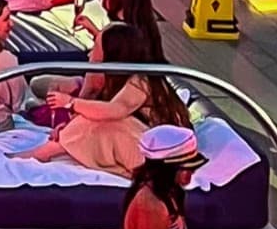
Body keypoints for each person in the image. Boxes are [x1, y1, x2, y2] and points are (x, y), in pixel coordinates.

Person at [27, 21, 187, 177]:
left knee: (108, 121)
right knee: (94, 115)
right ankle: (52, 148)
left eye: (96, 47)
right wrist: (68, 125)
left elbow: (115, 110)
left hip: (164, 153)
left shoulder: (141, 80)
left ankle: (49, 150)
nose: (91, 52)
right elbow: (97, 107)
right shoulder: (115, 78)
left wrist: (71, 102)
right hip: (150, 146)